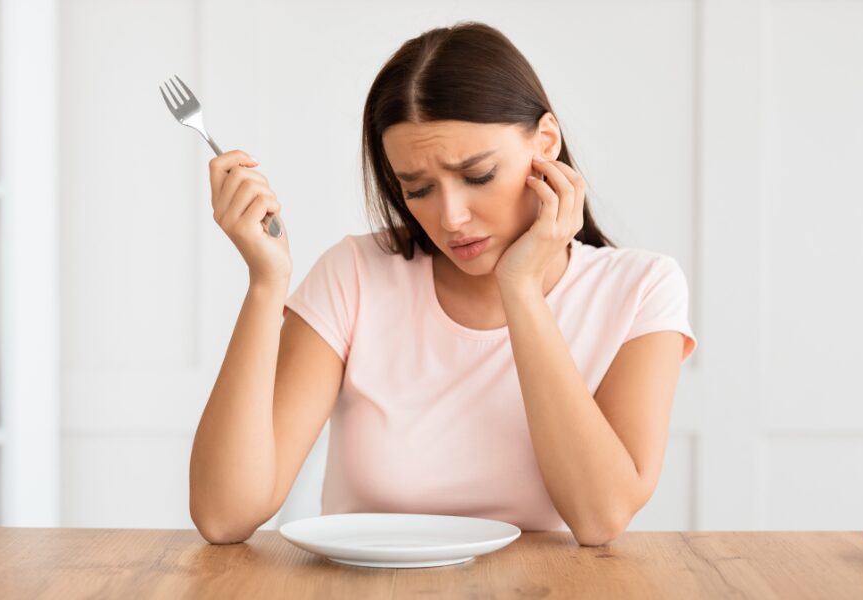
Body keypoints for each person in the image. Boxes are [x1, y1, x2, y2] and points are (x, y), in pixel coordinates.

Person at [189, 21, 697, 547]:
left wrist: (519, 288)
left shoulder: (641, 289)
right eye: (419, 189)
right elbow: (225, 515)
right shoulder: (355, 275)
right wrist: (266, 284)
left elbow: (600, 516)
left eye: (477, 176)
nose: (451, 217)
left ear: (545, 142)